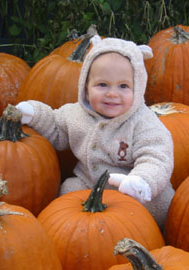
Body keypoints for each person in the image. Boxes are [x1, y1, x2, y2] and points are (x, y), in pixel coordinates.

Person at [15, 35, 174, 229]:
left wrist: (142, 180)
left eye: (123, 86)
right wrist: (34, 113)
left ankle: (155, 232)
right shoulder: (76, 114)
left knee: (153, 208)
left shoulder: (143, 123)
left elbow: (156, 156)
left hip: (132, 188)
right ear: (86, 86)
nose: (112, 93)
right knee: (66, 195)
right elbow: (56, 126)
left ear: (138, 87)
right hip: (89, 183)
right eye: (102, 85)